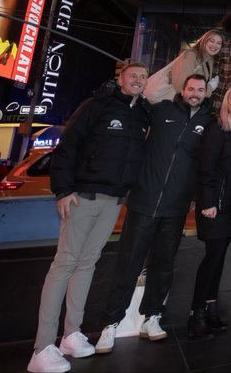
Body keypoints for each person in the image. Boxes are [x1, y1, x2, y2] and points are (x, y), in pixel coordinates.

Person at [28, 62, 150, 373]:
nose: (138, 80)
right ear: (119, 79)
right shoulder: (96, 106)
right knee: (65, 263)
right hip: (82, 197)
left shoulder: (140, 114)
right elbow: (67, 147)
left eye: (143, 76)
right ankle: (42, 347)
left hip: (112, 201)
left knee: (87, 263)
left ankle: (71, 333)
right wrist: (63, 190)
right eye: (133, 75)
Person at [97, 74, 214, 350]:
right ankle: (110, 323)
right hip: (144, 201)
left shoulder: (208, 122)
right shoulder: (162, 111)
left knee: (163, 266)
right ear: (182, 90)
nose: (195, 93)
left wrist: (196, 196)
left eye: (200, 90)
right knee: (129, 263)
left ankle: (153, 316)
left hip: (176, 207)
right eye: (191, 88)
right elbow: (136, 104)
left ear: (206, 94)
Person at [189, 86, 231, 339]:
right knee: (212, 258)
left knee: (220, 258)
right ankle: (196, 314)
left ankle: (211, 309)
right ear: (225, 103)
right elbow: (206, 168)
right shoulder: (217, 129)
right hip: (214, 206)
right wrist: (208, 202)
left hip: (229, 208)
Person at [144, 30, 223, 104]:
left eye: (219, 43)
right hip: (169, 102)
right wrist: (209, 88)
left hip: (181, 103)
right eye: (211, 41)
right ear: (204, 41)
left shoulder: (209, 60)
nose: (215, 45)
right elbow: (181, 85)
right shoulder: (191, 55)